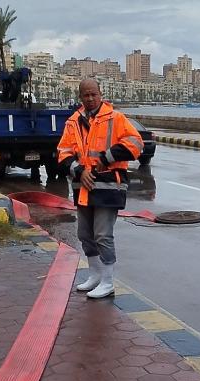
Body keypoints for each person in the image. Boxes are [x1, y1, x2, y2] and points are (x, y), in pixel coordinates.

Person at [58, 78, 143, 298]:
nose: (90, 98)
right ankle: (95, 275)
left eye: (93, 94)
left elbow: (135, 143)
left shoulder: (115, 118)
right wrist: (79, 170)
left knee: (103, 234)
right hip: (83, 186)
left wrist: (107, 157)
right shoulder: (73, 122)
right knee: (85, 234)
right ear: (80, 97)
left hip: (108, 185)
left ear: (100, 93)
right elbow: (63, 153)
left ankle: (107, 281)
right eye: (86, 95)